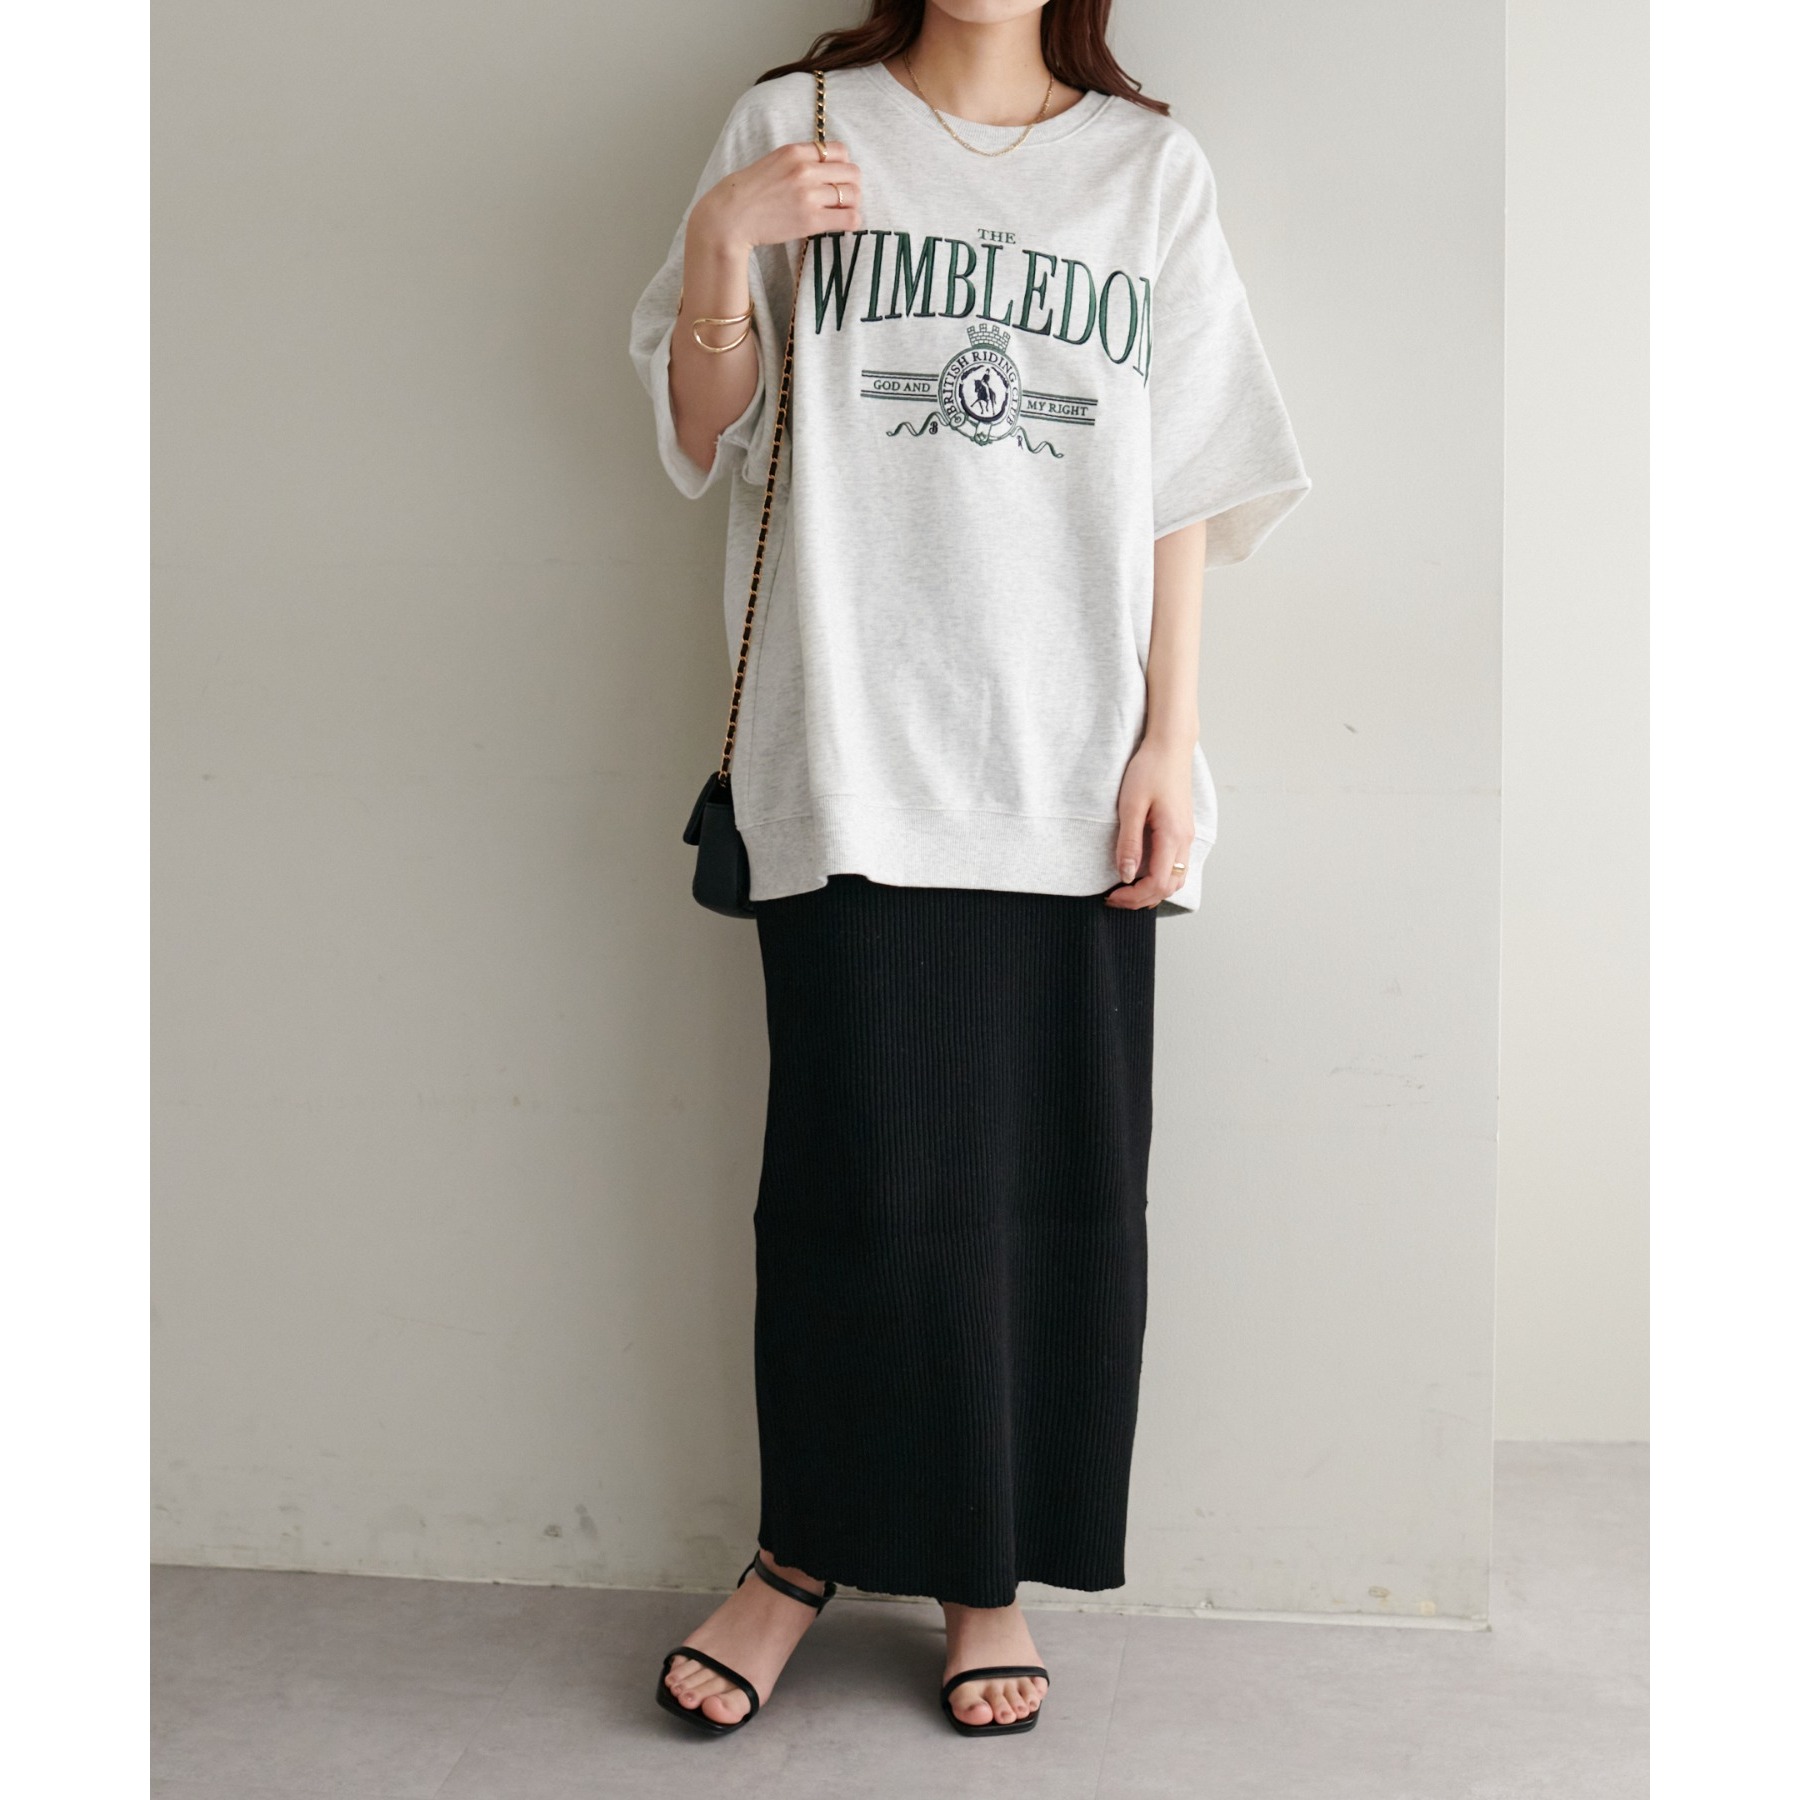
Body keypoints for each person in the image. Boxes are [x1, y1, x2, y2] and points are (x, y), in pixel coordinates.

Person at [628, 0, 1307, 1739]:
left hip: (1072, 757)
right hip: (852, 747)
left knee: (1056, 1193)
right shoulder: (796, 120)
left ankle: (985, 1578)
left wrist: (1169, 741)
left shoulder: (1146, 167)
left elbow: (1185, 476)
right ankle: (795, 1558)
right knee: (847, 1188)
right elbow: (705, 428)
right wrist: (720, 243)